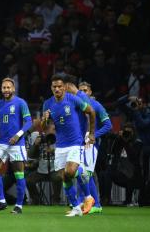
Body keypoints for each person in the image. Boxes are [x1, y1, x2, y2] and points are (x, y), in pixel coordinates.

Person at [42, 74, 96, 217]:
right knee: (64, 177)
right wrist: (44, 120)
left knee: (70, 172)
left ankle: (89, 196)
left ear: (65, 87)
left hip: (75, 142)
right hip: (60, 145)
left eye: (60, 86)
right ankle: (76, 207)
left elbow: (91, 111)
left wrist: (91, 133)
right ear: (51, 88)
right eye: (54, 87)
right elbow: (45, 128)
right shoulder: (47, 104)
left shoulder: (72, 99)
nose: (57, 89)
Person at [0, 78, 32, 214]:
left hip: (16, 144)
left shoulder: (20, 103)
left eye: (8, 88)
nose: (6, 90)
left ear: (13, 89)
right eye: (4, 88)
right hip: (2, 143)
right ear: (1, 89)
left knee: (19, 174)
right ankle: (1, 201)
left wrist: (18, 135)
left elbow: (29, 122)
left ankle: (19, 205)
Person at [64, 74, 96, 214]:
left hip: (82, 140)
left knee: (84, 171)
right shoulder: (66, 98)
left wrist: (91, 134)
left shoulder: (80, 96)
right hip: (71, 140)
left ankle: (92, 201)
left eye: (64, 85)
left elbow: (91, 113)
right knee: (75, 171)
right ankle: (82, 202)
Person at [79, 81, 112, 213]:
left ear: (90, 92)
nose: (82, 93)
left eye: (85, 90)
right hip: (78, 142)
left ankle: (96, 204)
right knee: (82, 173)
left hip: (90, 144)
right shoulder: (76, 105)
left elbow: (108, 125)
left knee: (86, 173)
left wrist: (93, 135)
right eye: (80, 90)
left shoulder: (96, 105)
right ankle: (86, 202)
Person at [27, 130, 62, 205]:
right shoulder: (40, 138)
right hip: (41, 171)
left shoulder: (60, 138)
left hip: (54, 169)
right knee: (29, 180)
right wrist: (35, 145)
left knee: (57, 177)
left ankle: (56, 200)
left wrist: (54, 151)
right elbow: (30, 155)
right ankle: (36, 199)